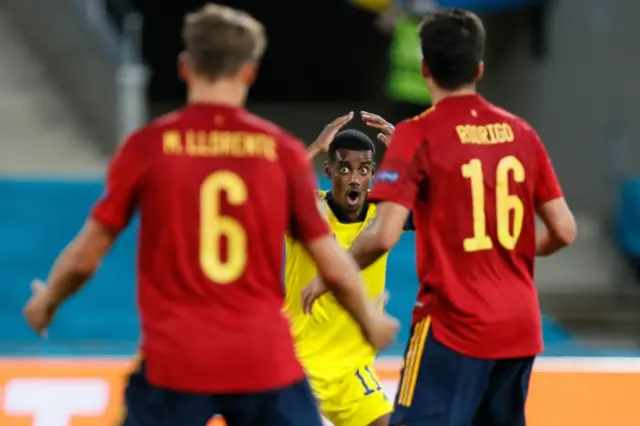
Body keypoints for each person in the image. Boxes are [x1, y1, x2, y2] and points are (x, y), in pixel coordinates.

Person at [22, 4, 398, 426]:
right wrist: (369, 320)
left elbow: (88, 253)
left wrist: (47, 301)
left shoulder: (150, 147)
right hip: (261, 360)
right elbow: (329, 257)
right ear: (250, 73)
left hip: (176, 360)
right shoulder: (278, 151)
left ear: (184, 67)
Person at [345, 9, 576, 426]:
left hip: (452, 326)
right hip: (519, 326)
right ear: (480, 68)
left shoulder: (418, 133)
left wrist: (331, 274)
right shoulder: (521, 131)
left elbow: (382, 237)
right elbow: (564, 229)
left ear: (424, 67)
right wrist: (514, 247)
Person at [285, 111, 407, 426]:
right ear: (328, 171)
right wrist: (312, 149)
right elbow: (265, 191)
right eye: (344, 168)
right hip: (298, 367)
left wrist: (406, 159)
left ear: (373, 174)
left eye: (363, 170)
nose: (354, 178)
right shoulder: (306, 209)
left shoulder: (384, 216)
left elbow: (444, 203)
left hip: (350, 373)